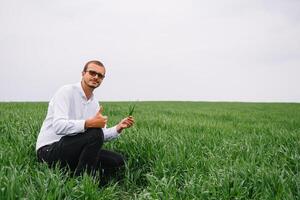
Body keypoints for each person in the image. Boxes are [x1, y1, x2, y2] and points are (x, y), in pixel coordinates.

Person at [36, 60, 134, 185]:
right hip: (49, 151)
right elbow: (59, 126)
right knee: (94, 133)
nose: (96, 77)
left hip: (74, 149)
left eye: (100, 75)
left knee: (117, 160)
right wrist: (88, 123)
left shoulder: (94, 103)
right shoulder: (66, 92)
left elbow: (99, 136)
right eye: (92, 73)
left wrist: (118, 128)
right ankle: (81, 183)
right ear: (83, 73)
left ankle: (73, 170)